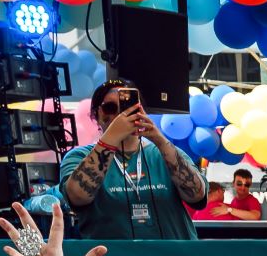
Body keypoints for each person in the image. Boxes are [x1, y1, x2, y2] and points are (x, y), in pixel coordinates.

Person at [59, 81, 205, 240]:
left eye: (129, 107)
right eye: (110, 108)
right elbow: (78, 197)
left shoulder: (165, 152)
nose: (120, 115)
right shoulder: (79, 156)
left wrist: (159, 139)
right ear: (96, 115)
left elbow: (197, 195)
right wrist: (112, 136)